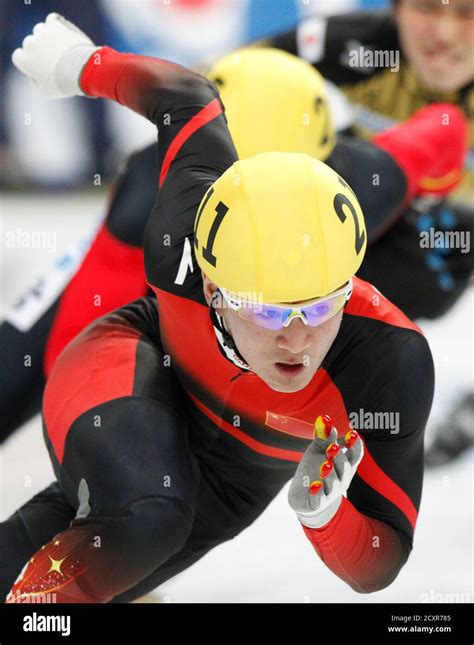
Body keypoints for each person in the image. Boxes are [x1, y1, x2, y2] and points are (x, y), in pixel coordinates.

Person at [1, 14, 435, 602]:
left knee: (119, 536)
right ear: (210, 286)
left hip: (232, 480)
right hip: (142, 358)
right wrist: (79, 64)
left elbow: (381, 562)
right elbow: (183, 98)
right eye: (267, 313)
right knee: (147, 515)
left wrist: (327, 517)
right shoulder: (171, 219)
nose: (296, 339)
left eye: (320, 306)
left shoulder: (388, 351)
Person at [0, 47, 461, 445]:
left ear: (320, 167)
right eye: (242, 199)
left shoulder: (361, 184)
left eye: (283, 197)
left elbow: (445, 127)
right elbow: (68, 346)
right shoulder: (153, 196)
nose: (264, 223)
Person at [263, 0, 474, 465]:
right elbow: (219, 84)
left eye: (466, 13)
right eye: (426, 8)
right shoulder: (356, 45)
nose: (444, 32)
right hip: (385, 210)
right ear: (395, 11)